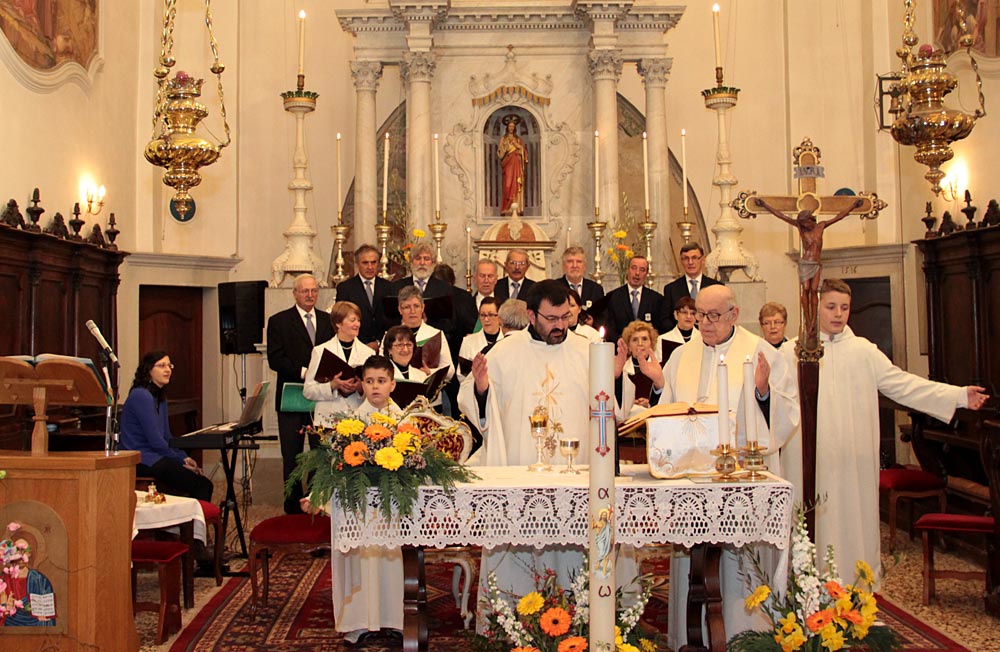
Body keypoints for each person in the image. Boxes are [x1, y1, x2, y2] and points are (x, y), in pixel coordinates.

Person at [781, 278, 989, 585]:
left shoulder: (864, 351)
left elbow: (903, 385)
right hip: (810, 460)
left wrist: (957, 396)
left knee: (853, 523)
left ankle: (855, 589)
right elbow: (772, 403)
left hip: (854, 460)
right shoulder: (791, 352)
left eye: (844, 307)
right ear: (814, 307)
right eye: (831, 307)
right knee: (813, 523)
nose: (838, 314)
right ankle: (804, 590)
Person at [660, 284, 799, 651]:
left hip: (740, 481)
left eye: (713, 316)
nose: (704, 323)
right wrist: (658, 388)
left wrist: (763, 393)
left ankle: (745, 638)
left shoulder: (762, 353)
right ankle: (692, 638)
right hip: (691, 482)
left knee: (740, 568)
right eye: (699, 315)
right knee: (693, 564)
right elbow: (666, 412)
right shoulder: (682, 356)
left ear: (734, 315)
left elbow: (787, 416)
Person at [333, 355, 405, 645]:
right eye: (370, 381)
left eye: (381, 381)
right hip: (360, 507)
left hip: (393, 506)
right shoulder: (351, 423)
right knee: (361, 561)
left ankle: (394, 619)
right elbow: (337, 466)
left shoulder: (403, 420)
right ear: (361, 384)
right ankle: (358, 621)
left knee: (390, 559)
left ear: (392, 384)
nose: (375, 387)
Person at [267, 273, 334, 514]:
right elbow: (275, 358)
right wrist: (305, 372)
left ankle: (316, 502)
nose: (310, 295)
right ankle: (292, 507)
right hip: (292, 396)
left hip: (321, 399)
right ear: (295, 293)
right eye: (305, 291)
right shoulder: (279, 321)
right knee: (292, 455)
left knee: (319, 453)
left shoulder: (327, 321)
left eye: (314, 290)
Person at [754, 198, 862, 348]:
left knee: (814, 291)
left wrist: (853, 206)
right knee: (805, 291)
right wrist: (765, 205)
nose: (805, 225)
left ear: (811, 220)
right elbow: (781, 216)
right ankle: (808, 322)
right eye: (802, 224)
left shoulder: (821, 226)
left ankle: (813, 323)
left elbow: (839, 217)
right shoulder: (801, 228)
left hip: (815, 264)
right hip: (805, 263)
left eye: (806, 223)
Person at [120, 350, 214, 502]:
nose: (167, 370)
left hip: (156, 456)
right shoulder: (141, 395)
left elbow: (166, 436)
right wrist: (180, 461)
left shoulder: (160, 397)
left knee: (202, 483)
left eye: (169, 365)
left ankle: (188, 516)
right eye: (162, 365)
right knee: (202, 485)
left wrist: (184, 457)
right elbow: (156, 441)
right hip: (142, 459)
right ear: (148, 370)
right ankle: (192, 518)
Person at [303, 301, 375, 427]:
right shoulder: (320, 351)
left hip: (358, 420)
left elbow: (375, 389)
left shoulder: (369, 353)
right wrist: (332, 385)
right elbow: (308, 391)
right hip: (328, 420)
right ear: (338, 323)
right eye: (352, 320)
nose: (357, 324)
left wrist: (360, 387)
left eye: (358, 320)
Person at [395, 286, 454, 410]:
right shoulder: (390, 336)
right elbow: (383, 368)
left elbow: (450, 370)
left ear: (423, 308)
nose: (412, 311)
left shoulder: (436, 334)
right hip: (398, 400)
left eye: (416, 306)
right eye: (407, 307)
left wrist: (430, 373)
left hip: (430, 401)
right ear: (400, 310)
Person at [334, 244, 391, 350]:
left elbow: (391, 319)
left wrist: (378, 342)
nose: (370, 267)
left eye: (373, 262)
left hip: (383, 346)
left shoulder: (388, 287)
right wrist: (362, 345)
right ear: (357, 264)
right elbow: (341, 319)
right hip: (355, 346)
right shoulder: (345, 288)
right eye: (365, 263)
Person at [660, 242, 723, 332]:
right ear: (681, 261)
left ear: (703, 260)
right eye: (686, 258)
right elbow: (665, 320)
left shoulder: (716, 287)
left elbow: (722, 315)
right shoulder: (671, 289)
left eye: (694, 258)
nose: (690, 262)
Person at [604, 255, 664, 342]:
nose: (637, 273)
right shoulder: (613, 297)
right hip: (620, 347)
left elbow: (659, 329)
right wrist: (622, 343)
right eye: (634, 268)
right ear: (627, 270)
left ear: (646, 274)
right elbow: (609, 328)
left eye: (642, 270)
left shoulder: (656, 299)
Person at [614, 320, 663, 420]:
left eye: (644, 339)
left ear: (651, 344)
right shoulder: (621, 370)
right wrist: (630, 403)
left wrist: (649, 403)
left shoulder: (661, 368)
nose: (640, 343)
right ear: (628, 346)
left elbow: (667, 401)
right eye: (635, 340)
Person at [457, 297, 504, 381]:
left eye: (490, 315)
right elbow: (461, 375)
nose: (486, 319)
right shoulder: (468, 341)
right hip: (474, 386)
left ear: (499, 316)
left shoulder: (508, 340)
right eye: (483, 315)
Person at [498, 114, 528, 215]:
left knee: (516, 183)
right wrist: (506, 146)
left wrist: (518, 146)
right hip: (508, 163)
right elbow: (500, 153)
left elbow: (524, 151)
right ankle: (506, 208)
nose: (511, 128)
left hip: (516, 163)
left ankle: (517, 209)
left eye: (513, 126)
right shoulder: (503, 139)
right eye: (510, 126)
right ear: (507, 127)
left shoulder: (518, 139)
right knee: (507, 185)